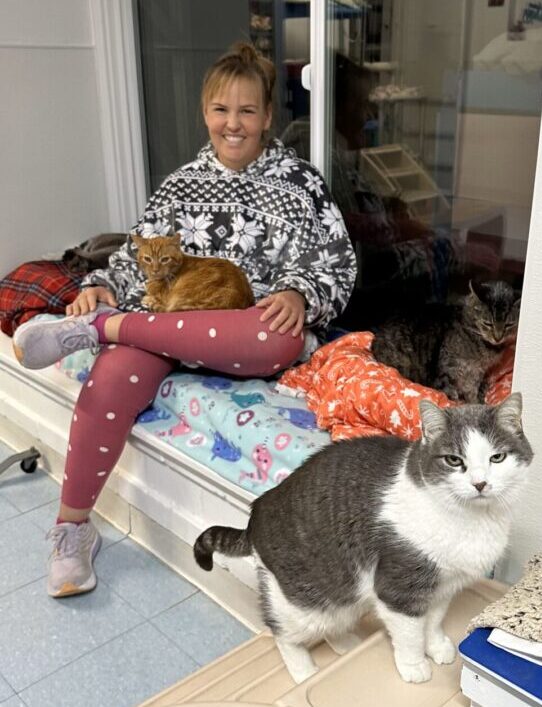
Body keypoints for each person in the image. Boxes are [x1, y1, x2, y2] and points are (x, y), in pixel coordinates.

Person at [12, 42, 357, 598]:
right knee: (115, 372)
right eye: (222, 110)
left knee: (278, 339)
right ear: (206, 114)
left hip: (248, 332)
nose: (234, 124)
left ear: (269, 116)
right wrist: (100, 285)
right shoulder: (179, 184)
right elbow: (135, 252)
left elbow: (337, 263)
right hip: (167, 324)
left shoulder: (302, 184)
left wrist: (301, 292)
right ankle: (72, 531)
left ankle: (99, 330)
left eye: (248, 111)